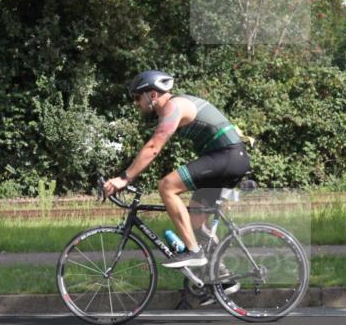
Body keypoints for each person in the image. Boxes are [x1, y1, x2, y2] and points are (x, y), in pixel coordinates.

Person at [102, 70, 250, 273]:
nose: (136, 103)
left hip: (227, 157)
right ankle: (220, 277)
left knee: (167, 186)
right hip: (228, 158)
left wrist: (124, 178)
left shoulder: (173, 106)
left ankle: (194, 253)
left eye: (137, 97)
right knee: (196, 223)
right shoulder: (173, 107)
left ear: (152, 95)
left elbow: (153, 147)